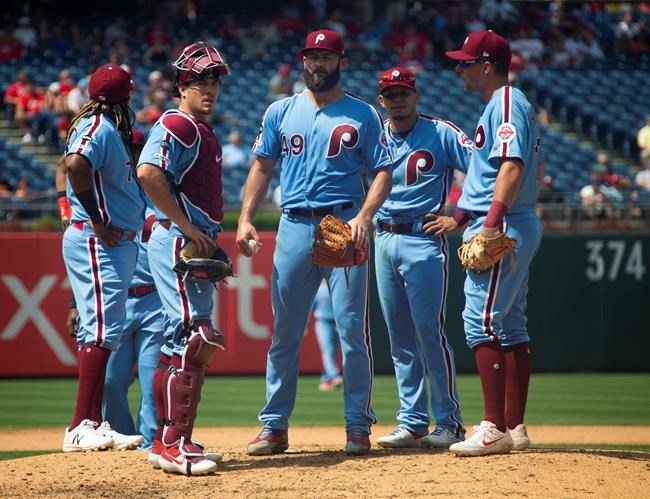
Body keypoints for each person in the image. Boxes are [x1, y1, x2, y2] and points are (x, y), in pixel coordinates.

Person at [236, 29, 393, 457]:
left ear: (341, 61)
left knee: (351, 331)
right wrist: (246, 218)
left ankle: (358, 426)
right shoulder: (280, 110)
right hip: (293, 225)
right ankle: (273, 427)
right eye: (311, 56)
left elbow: (383, 170)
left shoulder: (362, 113)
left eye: (325, 56)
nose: (316, 64)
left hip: (342, 221)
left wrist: (364, 216)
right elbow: (262, 166)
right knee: (284, 333)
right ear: (303, 61)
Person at [443, 31, 544, 456]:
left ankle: (493, 426)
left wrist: (489, 224)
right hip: (515, 220)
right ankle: (515, 426)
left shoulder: (504, 103)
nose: (458, 68)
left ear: (487, 66)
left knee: (480, 322)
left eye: (465, 62)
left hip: (504, 225)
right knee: (510, 323)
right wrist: (462, 215)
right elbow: (508, 172)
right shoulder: (511, 105)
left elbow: (512, 168)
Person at [136, 41, 230, 476]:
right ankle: (175, 443)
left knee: (183, 344)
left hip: (189, 240)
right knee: (194, 339)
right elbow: (148, 173)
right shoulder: (178, 123)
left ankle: (165, 440)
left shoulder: (196, 127)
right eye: (199, 82)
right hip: (178, 240)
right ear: (181, 86)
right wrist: (188, 228)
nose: (208, 89)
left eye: (213, 82)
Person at [372, 67, 470, 450]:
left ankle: (449, 422)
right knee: (399, 339)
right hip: (383, 237)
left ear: (417, 96)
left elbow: (481, 168)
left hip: (422, 239)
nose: (398, 99)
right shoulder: (375, 133)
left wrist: (459, 216)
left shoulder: (442, 131)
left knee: (429, 332)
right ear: (382, 100)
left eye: (403, 92)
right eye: (391, 94)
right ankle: (412, 421)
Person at [61, 64, 146, 453]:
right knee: (99, 332)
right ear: (124, 97)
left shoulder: (104, 127)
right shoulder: (98, 126)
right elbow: (76, 164)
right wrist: (97, 220)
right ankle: (81, 424)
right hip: (101, 241)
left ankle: (93, 421)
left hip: (113, 243)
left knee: (105, 331)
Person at [312, 280, 342, 392]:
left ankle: (325, 380)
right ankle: (335, 376)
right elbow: (310, 307)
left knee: (333, 352)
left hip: (337, 323)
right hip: (323, 322)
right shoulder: (318, 289)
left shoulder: (337, 286)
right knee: (328, 351)